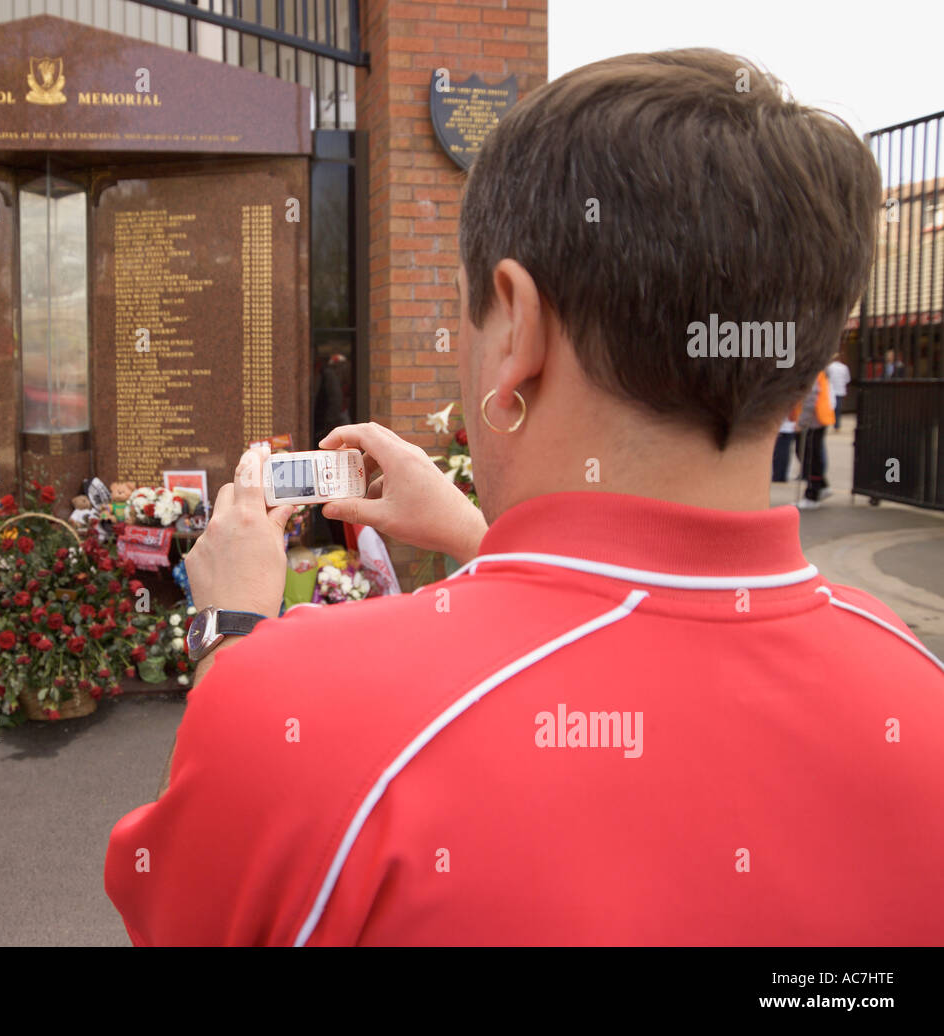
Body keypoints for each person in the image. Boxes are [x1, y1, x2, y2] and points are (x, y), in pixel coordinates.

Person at [104, 49, 944, 945]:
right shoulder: (916, 691)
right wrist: (484, 536)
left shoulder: (294, 707)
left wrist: (226, 634)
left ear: (515, 323)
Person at [795, 369, 836, 508]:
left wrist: (802, 422)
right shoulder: (815, 371)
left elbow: (810, 399)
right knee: (809, 455)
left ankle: (813, 494)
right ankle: (822, 486)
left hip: (813, 421)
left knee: (810, 457)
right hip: (816, 419)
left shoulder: (811, 372)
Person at [826, 354, 851, 430]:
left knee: (831, 407)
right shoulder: (844, 367)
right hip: (840, 389)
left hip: (830, 390)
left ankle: (828, 422)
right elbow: (847, 379)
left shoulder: (829, 367)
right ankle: (837, 425)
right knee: (838, 408)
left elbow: (826, 378)